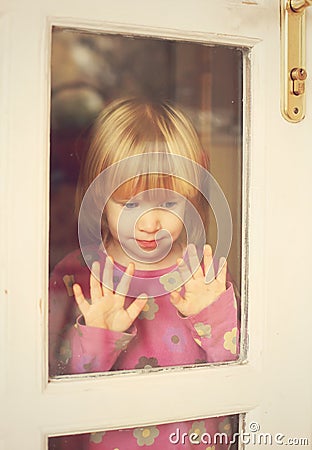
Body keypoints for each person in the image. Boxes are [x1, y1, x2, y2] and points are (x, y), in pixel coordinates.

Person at [49, 98, 239, 449]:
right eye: (130, 204)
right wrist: (97, 334)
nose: (149, 224)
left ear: (192, 199)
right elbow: (52, 387)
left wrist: (212, 314)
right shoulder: (77, 274)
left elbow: (237, 370)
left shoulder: (203, 275)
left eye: (168, 203)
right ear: (100, 200)